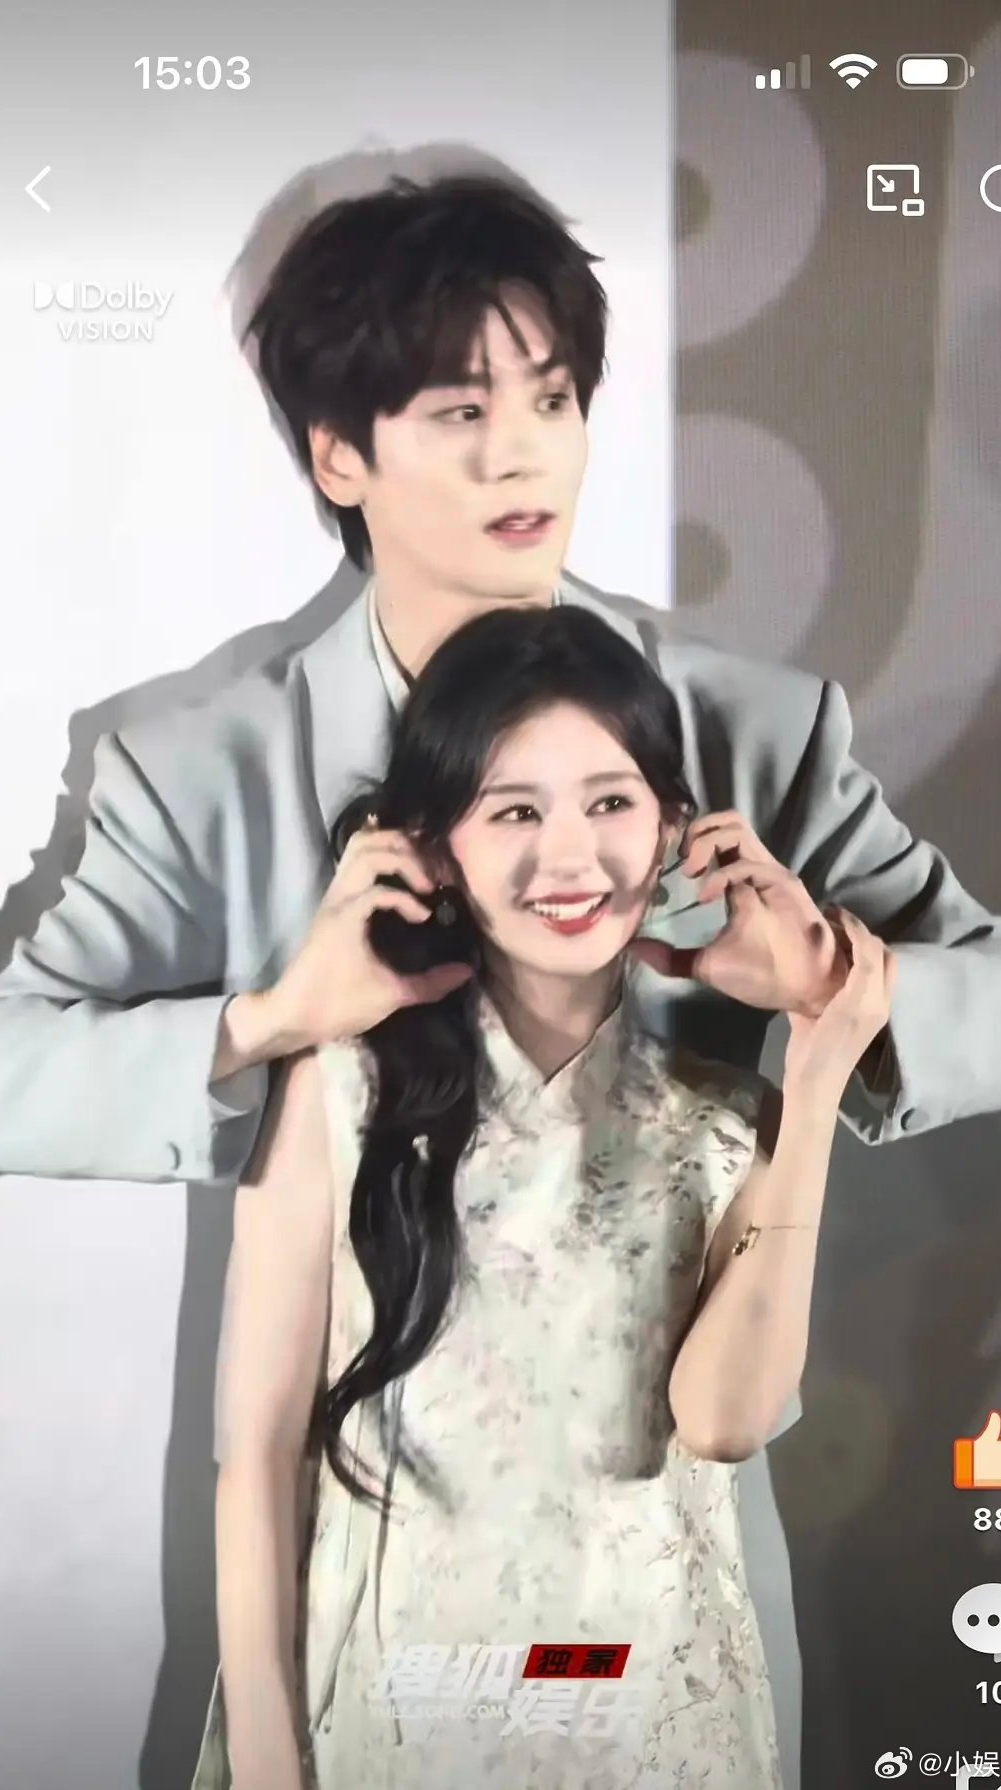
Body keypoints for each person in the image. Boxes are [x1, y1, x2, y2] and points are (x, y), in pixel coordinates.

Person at [0, 172, 1001, 1191]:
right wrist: (269, 1021)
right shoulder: (203, 775)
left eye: (552, 400)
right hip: (324, 1328)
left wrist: (829, 978)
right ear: (338, 457)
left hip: (686, 1325)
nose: (521, 455)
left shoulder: (747, 730)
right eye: (462, 412)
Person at [191, 602, 894, 1790]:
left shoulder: (728, 1119)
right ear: (434, 843)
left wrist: (817, 1067)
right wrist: (267, 1755)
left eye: (611, 802)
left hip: (658, 1729)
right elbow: (258, 1449)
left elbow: (725, 1419)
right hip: (398, 1724)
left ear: (675, 828)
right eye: (515, 810)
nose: (570, 858)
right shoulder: (338, 1088)